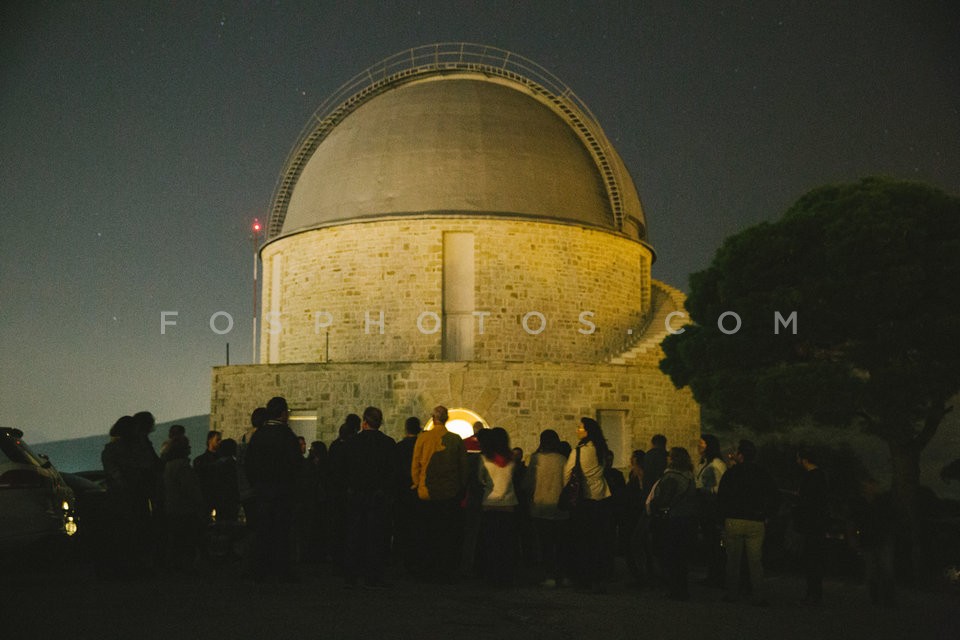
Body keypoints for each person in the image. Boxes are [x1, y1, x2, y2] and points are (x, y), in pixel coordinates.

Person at [244, 396, 302, 582]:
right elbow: (296, 465)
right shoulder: (287, 436)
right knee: (281, 532)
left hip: (262, 491)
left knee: (263, 531)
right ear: (283, 413)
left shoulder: (259, 436)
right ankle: (280, 570)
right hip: (283, 492)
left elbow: (249, 464)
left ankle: (261, 569)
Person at [717, 439, 780, 606]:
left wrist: (721, 519)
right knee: (755, 561)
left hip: (734, 519)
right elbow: (775, 495)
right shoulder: (762, 473)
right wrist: (767, 514)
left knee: (733, 560)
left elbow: (722, 497)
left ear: (740, 455)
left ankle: (732, 593)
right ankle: (758, 595)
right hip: (756, 521)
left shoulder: (731, 473)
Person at [410, 405, 468, 582]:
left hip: (426, 493)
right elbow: (463, 468)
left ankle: (426, 569)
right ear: (447, 418)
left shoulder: (423, 438)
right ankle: (445, 570)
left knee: (426, 534)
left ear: (432, 418)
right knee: (446, 534)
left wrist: (417, 483)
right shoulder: (456, 440)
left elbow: (416, 464)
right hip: (449, 493)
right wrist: (461, 487)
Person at [341, 406, 397, 588]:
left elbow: (346, 469)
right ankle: (374, 575)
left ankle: (351, 575)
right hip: (378, 496)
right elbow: (391, 472)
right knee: (376, 536)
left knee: (354, 535)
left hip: (356, 494)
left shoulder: (352, 443)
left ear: (364, 421)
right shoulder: (388, 443)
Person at [563, 417, 613, 592]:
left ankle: (584, 578)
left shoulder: (579, 451)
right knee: (598, 539)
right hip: (601, 496)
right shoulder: (602, 450)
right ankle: (599, 576)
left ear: (587, 431)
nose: (577, 430)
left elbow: (568, 473)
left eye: (580, 428)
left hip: (584, 499)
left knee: (582, 540)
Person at [649, 447, 699, 600]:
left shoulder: (671, 476)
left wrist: (655, 504)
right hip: (687, 519)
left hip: (672, 519)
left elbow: (665, 499)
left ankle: (674, 590)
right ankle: (682, 589)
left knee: (671, 555)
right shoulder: (689, 476)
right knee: (682, 557)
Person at [523, 428, 570, 587]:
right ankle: (562, 575)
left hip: (541, 506)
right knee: (561, 544)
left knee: (546, 545)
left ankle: (549, 576)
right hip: (560, 508)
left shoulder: (535, 459)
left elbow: (529, 484)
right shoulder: (563, 459)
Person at [477, 427, 519, 586]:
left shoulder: (484, 459)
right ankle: (506, 576)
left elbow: (480, 479)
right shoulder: (512, 459)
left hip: (490, 504)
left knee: (491, 544)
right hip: (508, 504)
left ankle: (492, 576)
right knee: (507, 545)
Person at [163, 435, 204, 573]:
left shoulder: (168, 466)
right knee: (187, 540)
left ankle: (173, 566)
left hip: (172, 507)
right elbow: (190, 489)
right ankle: (185, 567)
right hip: (185, 509)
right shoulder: (182, 466)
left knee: (175, 540)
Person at [795, 446, 829, 604]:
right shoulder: (821, 476)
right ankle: (815, 594)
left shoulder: (811, 477)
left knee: (811, 560)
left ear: (804, 459)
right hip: (818, 524)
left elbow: (807, 501)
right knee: (815, 560)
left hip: (811, 525)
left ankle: (813, 594)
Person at [695, 434, 727, 587]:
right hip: (705, 508)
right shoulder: (703, 464)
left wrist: (703, 491)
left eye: (702, 444)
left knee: (714, 543)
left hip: (712, 509)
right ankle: (713, 574)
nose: (699, 447)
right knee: (710, 543)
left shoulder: (716, 465)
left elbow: (719, 488)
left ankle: (718, 576)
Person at [392, 417, 421, 571]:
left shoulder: (399, 447)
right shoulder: (421, 446)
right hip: (417, 491)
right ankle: (414, 560)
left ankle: (399, 560)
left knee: (400, 527)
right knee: (416, 527)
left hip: (401, 491)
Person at [193, 430, 223, 518]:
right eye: (217, 440)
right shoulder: (200, 461)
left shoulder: (199, 460)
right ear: (210, 441)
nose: (220, 442)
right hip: (208, 496)